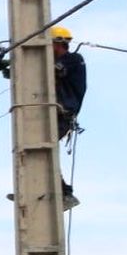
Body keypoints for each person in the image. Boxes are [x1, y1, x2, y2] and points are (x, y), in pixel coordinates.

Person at [51, 26, 86, 210]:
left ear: (56, 44)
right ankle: (37, 187)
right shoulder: (64, 61)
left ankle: (65, 194)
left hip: (63, 114)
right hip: (56, 113)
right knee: (39, 148)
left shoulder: (73, 59)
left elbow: (54, 70)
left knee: (43, 149)